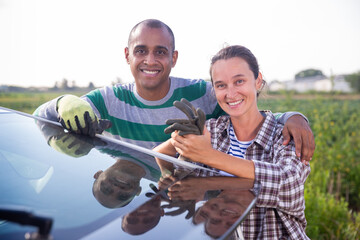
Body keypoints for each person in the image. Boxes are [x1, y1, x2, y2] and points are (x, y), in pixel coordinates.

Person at [34, 19, 314, 162]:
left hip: (185, 209)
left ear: (174, 58)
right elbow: (41, 118)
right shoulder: (108, 99)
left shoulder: (201, 93)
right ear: (127, 55)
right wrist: (62, 102)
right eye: (141, 51)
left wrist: (290, 116)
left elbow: (243, 108)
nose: (151, 61)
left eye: (161, 52)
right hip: (128, 199)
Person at [154, 45, 311, 239]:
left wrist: (209, 157)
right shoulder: (210, 130)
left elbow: (289, 184)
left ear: (258, 81)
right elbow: (160, 154)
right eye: (221, 85)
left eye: (239, 81)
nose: (231, 93)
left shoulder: (285, 135)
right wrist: (170, 173)